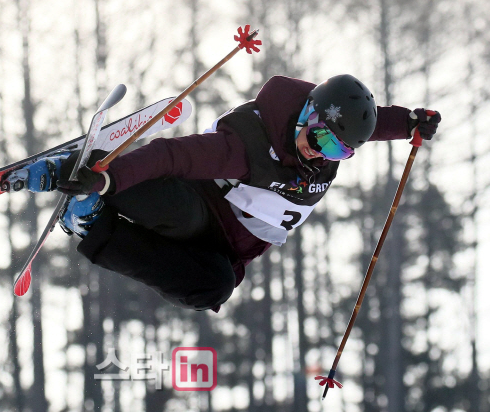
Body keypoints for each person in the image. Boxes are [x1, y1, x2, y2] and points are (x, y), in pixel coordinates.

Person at [22, 74, 441, 312]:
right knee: (178, 211)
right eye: (319, 138)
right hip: (200, 207)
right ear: (305, 116)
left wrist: (407, 123)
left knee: (213, 288)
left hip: (228, 250)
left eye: (339, 150)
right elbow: (173, 156)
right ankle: (83, 171)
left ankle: (90, 220)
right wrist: (107, 176)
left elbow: (369, 122)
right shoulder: (247, 145)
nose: (320, 152)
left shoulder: (326, 140)